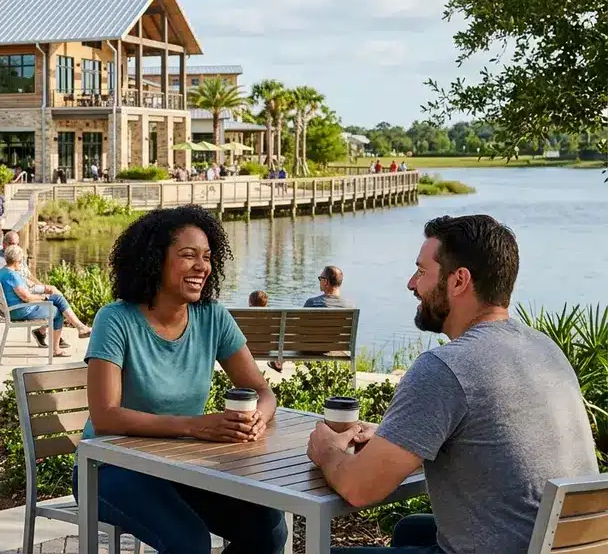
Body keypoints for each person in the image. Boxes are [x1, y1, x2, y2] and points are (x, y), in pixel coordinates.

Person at [309, 215, 597, 554]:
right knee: (411, 530)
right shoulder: (545, 349)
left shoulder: (445, 368)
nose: (411, 284)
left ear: (459, 280)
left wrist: (326, 448)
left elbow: (359, 489)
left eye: (421, 271)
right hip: (567, 544)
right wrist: (403, 437)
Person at [76, 205, 288, 553]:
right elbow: (105, 417)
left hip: (180, 466)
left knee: (267, 525)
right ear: (154, 260)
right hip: (107, 468)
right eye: (188, 255)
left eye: (206, 257)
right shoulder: (115, 320)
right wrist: (194, 426)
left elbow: (262, 390)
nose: (202, 267)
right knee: (189, 543)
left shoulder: (212, 316)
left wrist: (257, 420)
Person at [0, 230, 92, 347]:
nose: (15, 246)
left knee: (53, 291)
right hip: (19, 301)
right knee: (57, 307)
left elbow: (28, 275)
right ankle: (62, 334)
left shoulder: (13, 261)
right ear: (4, 245)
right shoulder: (3, 263)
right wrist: (42, 297)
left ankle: (59, 330)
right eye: (12, 243)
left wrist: (42, 286)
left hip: (22, 290)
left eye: (17, 243)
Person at [0, 246, 72, 358]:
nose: (22, 262)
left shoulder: (3, 271)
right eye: (21, 260)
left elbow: (23, 294)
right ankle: (56, 349)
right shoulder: (13, 275)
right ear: (17, 261)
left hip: (13, 308)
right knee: (57, 312)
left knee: (56, 300)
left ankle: (76, 326)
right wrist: (43, 298)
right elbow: (26, 298)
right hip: (19, 311)